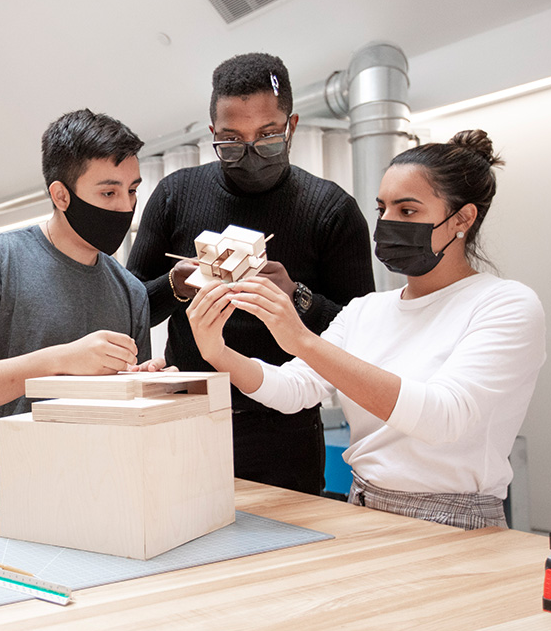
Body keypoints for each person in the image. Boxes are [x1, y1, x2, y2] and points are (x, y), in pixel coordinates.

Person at [187, 130, 546, 530]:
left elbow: (443, 418)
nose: (388, 223)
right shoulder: (366, 310)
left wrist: (301, 339)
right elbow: (294, 390)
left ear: (462, 218)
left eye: (407, 211)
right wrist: (218, 352)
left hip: (454, 520)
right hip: (361, 507)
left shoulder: (506, 304)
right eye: (382, 209)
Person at [127, 52, 375, 495]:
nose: (250, 153)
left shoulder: (330, 209)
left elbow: (362, 336)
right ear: (211, 135)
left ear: (292, 127)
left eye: (267, 137)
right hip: (187, 419)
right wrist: (174, 286)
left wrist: (298, 298)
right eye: (231, 141)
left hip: (285, 430)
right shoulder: (175, 195)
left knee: (286, 557)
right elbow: (131, 312)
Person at [0, 109, 159, 513]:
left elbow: (125, 407)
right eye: (108, 193)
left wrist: (145, 383)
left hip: (98, 505)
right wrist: (62, 360)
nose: (125, 208)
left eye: (132, 191)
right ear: (61, 195)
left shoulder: (129, 291)